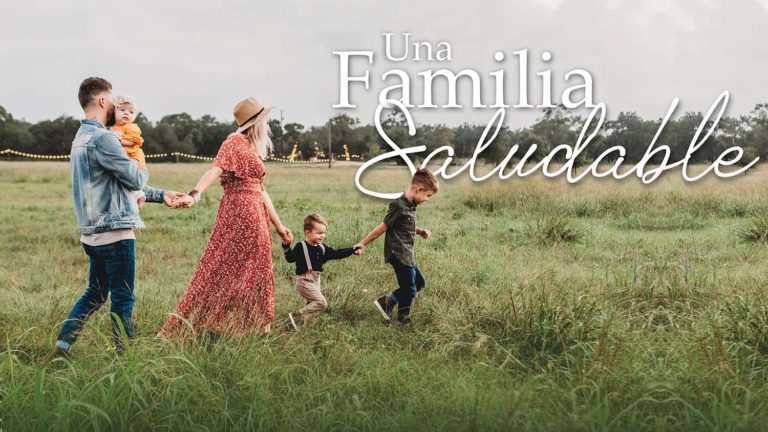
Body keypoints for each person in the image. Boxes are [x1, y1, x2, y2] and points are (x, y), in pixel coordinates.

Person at [53, 77, 188, 357]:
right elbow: (135, 176)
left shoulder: (81, 138)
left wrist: (160, 194)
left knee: (95, 294)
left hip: (91, 233)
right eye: (112, 98)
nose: (116, 104)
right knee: (123, 298)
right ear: (102, 101)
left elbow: (118, 182)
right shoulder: (104, 138)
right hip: (115, 233)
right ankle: (125, 358)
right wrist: (141, 159)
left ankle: (62, 346)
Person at [160, 97, 292, 337]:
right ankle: (212, 323)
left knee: (258, 268)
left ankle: (254, 327)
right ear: (257, 122)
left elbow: (261, 189)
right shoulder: (234, 142)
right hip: (240, 212)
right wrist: (194, 194)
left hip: (255, 213)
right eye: (265, 119)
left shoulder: (251, 147)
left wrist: (279, 225)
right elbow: (215, 169)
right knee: (222, 267)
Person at [355, 168, 439, 324]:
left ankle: (387, 302)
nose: (427, 199)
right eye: (428, 195)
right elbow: (382, 227)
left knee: (419, 283)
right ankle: (403, 319)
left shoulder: (410, 206)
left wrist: (419, 231)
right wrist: (363, 243)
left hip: (407, 254)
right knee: (410, 289)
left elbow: (404, 226)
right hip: (398, 254)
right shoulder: (398, 206)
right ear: (419, 189)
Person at [282, 213, 359, 330]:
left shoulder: (322, 248)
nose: (322, 236)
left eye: (324, 233)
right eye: (319, 233)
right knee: (321, 303)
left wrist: (352, 249)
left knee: (312, 309)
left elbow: (337, 253)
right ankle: (296, 316)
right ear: (307, 233)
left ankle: (303, 328)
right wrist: (286, 246)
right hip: (304, 280)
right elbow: (290, 258)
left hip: (316, 280)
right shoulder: (301, 246)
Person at [110, 95, 147, 207]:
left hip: (133, 155)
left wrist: (121, 141)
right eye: (122, 110)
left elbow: (134, 140)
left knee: (131, 172)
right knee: (123, 176)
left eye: (131, 112)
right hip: (124, 156)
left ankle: (138, 194)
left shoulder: (131, 127)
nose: (126, 113)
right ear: (115, 112)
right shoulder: (113, 127)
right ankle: (139, 194)